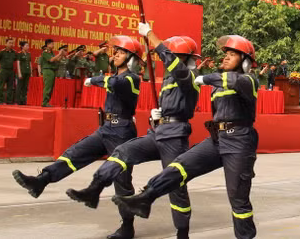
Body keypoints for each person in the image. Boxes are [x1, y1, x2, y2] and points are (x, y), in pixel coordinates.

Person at [113, 34, 259, 239]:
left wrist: (204, 77)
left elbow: (232, 81)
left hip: (240, 142)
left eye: (232, 54)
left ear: (245, 62)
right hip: (218, 139)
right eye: (225, 53)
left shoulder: (249, 80)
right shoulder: (218, 85)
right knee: (178, 168)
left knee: (238, 200)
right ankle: (145, 198)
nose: (225, 57)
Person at [67, 24, 200, 239]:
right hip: (158, 131)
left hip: (175, 136)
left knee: (176, 185)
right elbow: (174, 101)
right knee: (122, 152)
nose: (170, 59)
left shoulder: (188, 76)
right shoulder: (169, 79)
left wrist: (149, 34)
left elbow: (171, 62)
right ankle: (95, 189)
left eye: (175, 56)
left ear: (186, 59)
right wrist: (161, 114)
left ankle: (182, 233)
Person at [12, 36, 142, 239]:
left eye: (122, 52)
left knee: (121, 180)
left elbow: (114, 82)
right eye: (116, 51)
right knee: (75, 153)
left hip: (122, 131)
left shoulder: (132, 79)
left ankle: (127, 227)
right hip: (106, 128)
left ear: (132, 59)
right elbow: (111, 81)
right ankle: (41, 181)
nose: (116, 54)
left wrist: (94, 79)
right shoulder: (115, 76)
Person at [40, 39, 65, 107]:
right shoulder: (45, 52)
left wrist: (61, 55)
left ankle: (47, 102)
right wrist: (59, 54)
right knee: (48, 87)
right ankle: (44, 102)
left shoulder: (51, 53)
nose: (53, 45)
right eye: (52, 44)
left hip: (52, 71)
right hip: (48, 70)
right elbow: (51, 60)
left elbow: (57, 60)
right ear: (48, 44)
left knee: (51, 87)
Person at [0, 37, 18, 104]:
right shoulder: (2, 52)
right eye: (9, 43)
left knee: (10, 86)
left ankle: (9, 101)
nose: (11, 44)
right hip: (3, 71)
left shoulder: (14, 52)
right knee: (1, 86)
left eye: (12, 43)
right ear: (6, 44)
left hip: (11, 71)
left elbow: (16, 60)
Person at [15, 41, 32, 106]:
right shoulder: (19, 53)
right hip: (22, 72)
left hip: (27, 72)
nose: (28, 47)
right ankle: (18, 100)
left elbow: (30, 63)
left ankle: (23, 100)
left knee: (25, 87)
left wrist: (31, 72)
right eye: (26, 45)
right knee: (19, 86)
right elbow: (18, 63)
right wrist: (19, 73)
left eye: (28, 46)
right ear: (22, 46)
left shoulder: (28, 54)